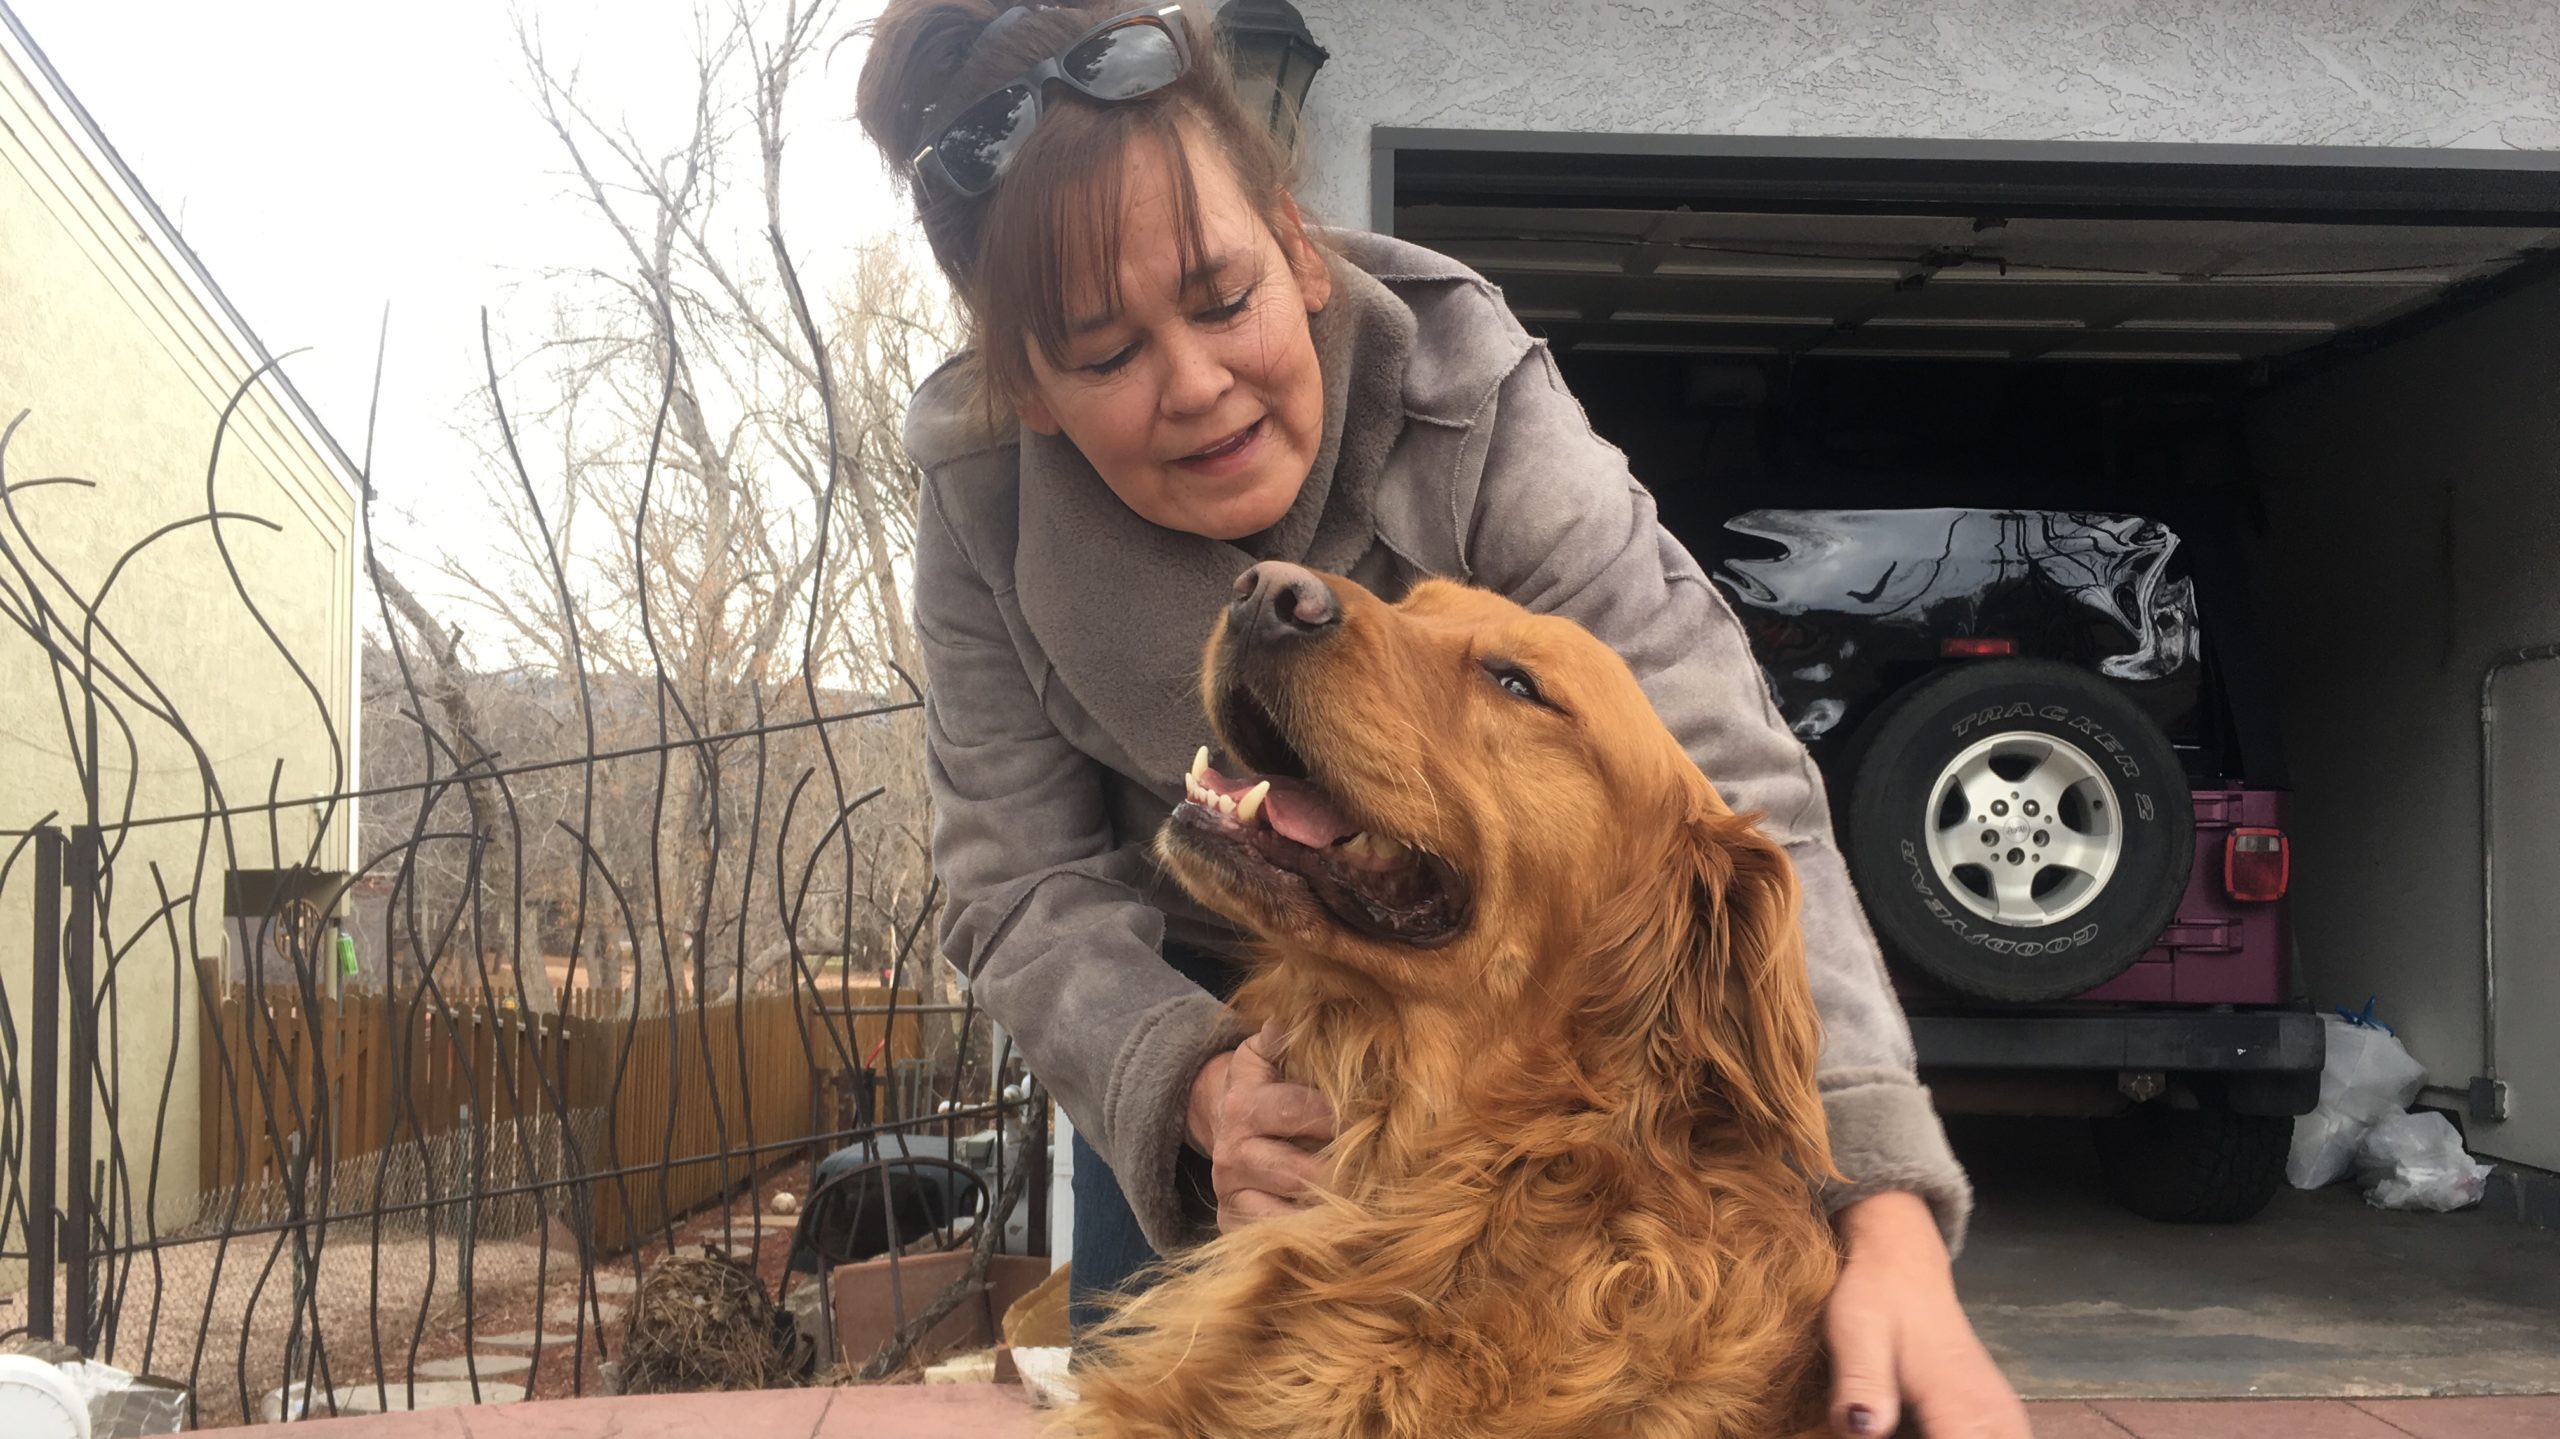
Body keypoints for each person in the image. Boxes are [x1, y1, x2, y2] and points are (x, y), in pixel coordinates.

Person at [857, 4, 2029, 1434]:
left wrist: (1883, 1201)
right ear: (1026, 391)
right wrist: (1192, 1090)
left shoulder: (1473, 402)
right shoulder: (979, 505)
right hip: (1213, 1025)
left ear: (1297, 247)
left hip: (1515, 1059)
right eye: (1103, 355)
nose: (1195, 383)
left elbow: (1727, 799)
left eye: (1224, 297)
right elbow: (1017, 880)